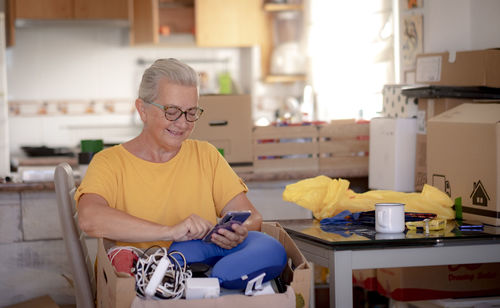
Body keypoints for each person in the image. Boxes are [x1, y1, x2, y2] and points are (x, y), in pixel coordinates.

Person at [76, 58, 262, 250]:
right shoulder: (109, 163)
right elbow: (89, 219)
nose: (183, 123)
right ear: (142, 110)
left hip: (203, 276)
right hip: (135, 278)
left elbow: (252, 217)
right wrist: (170, 232)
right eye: (172, 111)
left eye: (191, 112)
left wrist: (238, 232)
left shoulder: (206, 155)